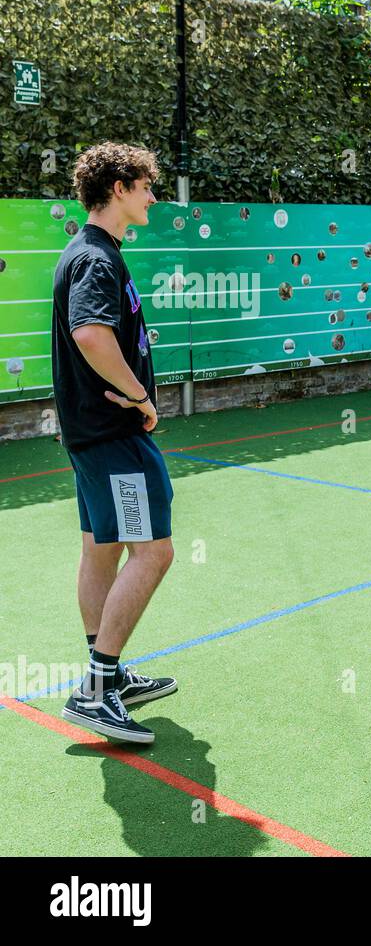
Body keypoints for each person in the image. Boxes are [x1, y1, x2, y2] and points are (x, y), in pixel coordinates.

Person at [53, 142, 177, 745]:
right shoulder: (96, 258)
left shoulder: (90, 251)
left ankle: (108, 676)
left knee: (100, 549)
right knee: (153, 553)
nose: (153, 196)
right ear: (120, 187)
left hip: (91, 435)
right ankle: (97, 689)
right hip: (112, 436)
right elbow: (91, 335)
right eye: (146, 186)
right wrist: (140, 397)